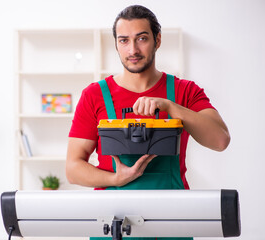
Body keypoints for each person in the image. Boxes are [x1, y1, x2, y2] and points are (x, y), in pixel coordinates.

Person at [66, 5, 230, 240]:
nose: (132, 49)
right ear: (116, 44)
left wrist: (171, 107)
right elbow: (73, 168)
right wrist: (115, 178)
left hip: (173, 220)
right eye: (124, 40)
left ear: (157, 40)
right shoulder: (94, 95)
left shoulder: (184, 91)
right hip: (111, 223)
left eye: (141, 38)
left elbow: (220, 140)